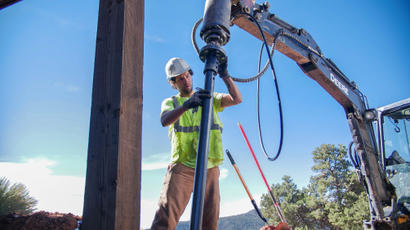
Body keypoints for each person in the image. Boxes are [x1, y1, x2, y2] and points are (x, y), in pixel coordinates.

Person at [150, 57, 242, 230]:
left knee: (209, 221)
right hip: (182, 167)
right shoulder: (171, 102)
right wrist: (187, 105)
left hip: (210, 167)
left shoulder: (210, 98)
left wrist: (225, 75)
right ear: (173, 83)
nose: (186, 81)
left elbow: (237, 99)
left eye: (187, 76)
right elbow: (164, 120)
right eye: (180, 79)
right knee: (165, 218)